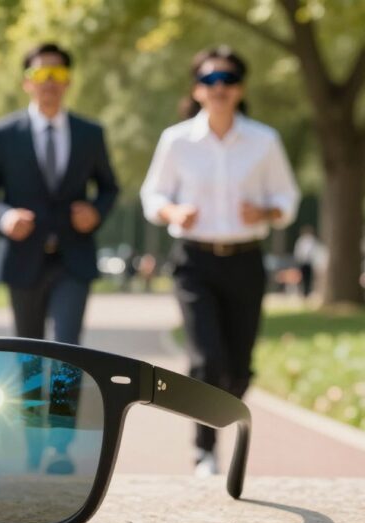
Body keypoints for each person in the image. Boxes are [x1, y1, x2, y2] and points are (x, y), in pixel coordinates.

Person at [140, 46, 300, 477]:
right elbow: (153, 195)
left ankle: (219, 420)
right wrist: (173, 211)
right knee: (207, 359)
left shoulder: (264, 141)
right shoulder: (176, 141)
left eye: (228, 79)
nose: (219, 87)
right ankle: (204, 450)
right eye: (210, 80)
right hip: (194, 262)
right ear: (197, 89)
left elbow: (287, 198)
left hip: (245, 262)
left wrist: (265, 211)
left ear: (240, 88)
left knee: (238, 369)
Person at [0, 42, 119, 346]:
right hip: (23, 257)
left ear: (68, 81)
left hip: (73, 257)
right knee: (30, 352)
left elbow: (109, 187)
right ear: (27, 82)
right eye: (40, 73)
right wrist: (4, 217)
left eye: (57, 73)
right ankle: (33, 382)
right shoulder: (4, 133)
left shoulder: (90, 133)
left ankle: (64, 382)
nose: (49, 81)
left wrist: (95, 212)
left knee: (68, 347)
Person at [293, 225, 319, 300]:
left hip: (309, 262)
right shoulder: (301, 240)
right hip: (302, 262)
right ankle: (302, 292)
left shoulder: (312, 240)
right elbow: (298, 251)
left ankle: (308, 292)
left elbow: (315, 251)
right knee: (302, 277)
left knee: (309, 278)